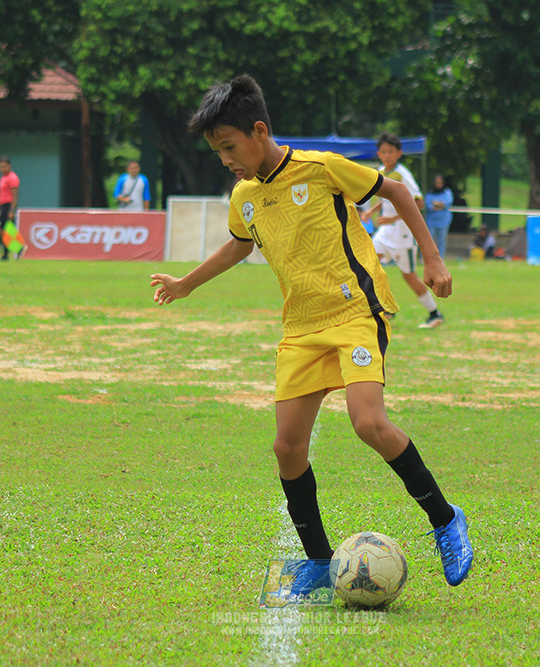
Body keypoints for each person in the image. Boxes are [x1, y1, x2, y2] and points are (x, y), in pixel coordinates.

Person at [149, 75, 472, 600]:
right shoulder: (245, 196)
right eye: (217, 152)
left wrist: (432, 258)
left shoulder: (319, 169)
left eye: (229, 147)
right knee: (287, 447)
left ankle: (445, 518)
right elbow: (237, 247)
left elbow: (395, 191)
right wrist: (185, 284)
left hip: (354, 313)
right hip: (300, 329)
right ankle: (320, 561)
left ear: (258, 131)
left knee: (368, 422)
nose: (226, 159)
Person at [361, 133, 445, 329]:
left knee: (409, 276)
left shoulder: (403, 174)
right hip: (385, 232)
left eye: (390, 151)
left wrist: (392, 218)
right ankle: (384, 307)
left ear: (399, 153)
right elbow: (385, 198)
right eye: (383, 151)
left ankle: (434, 313)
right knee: (367, 262)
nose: (387, 155)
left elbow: (419, 202)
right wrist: (371, 212)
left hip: (403, 234)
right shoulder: (381, 171)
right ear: (378, 154)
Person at [0, 156, 22, 261]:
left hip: (8, 205)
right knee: (2, 229)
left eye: (4, 166)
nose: (2, 169)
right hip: (3, 205)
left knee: (4, 229)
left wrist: (12, 210)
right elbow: (1, 195)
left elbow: (15, 195)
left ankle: (9, 252)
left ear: (9, 166)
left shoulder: (12, 178)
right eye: (1, 167)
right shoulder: (3, 178)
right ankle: (16, 247)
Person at [424, 173, 454, 258]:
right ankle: (428, 258)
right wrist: (439, 205)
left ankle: (441, 258)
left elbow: (447, 204)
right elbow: (428, 205)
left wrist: (436, 204)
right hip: (432, 221)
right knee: (430, 241)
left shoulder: (447, 192)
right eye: (437, 182)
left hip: (443, 221)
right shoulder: (430, 193)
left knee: (442, 241)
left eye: (440, 182)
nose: (438, 184)